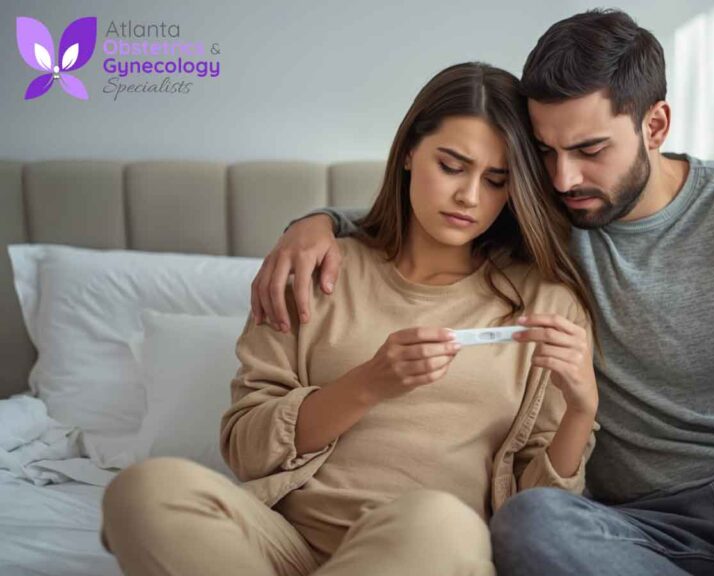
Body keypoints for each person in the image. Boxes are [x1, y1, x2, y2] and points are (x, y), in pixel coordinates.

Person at [251, 10, 714, 576]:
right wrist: (317, 223)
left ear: (655, 125)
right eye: (545, 152)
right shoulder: (545, 215)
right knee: (530, 523)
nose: (561, 179)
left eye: (589, 150)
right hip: (642, 531)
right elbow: (437, 209)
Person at [100, 62, 599, 576]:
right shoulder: (314, 269)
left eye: (496, 181)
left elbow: (537, 511)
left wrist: (582, 409)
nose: (470, 197)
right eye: (451, 166)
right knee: (144, 490)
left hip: (424, 550)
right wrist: (366, 384)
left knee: (439, 520)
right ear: (409, 152)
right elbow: (246, 452)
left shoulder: (544, 303)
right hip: (277, 547)